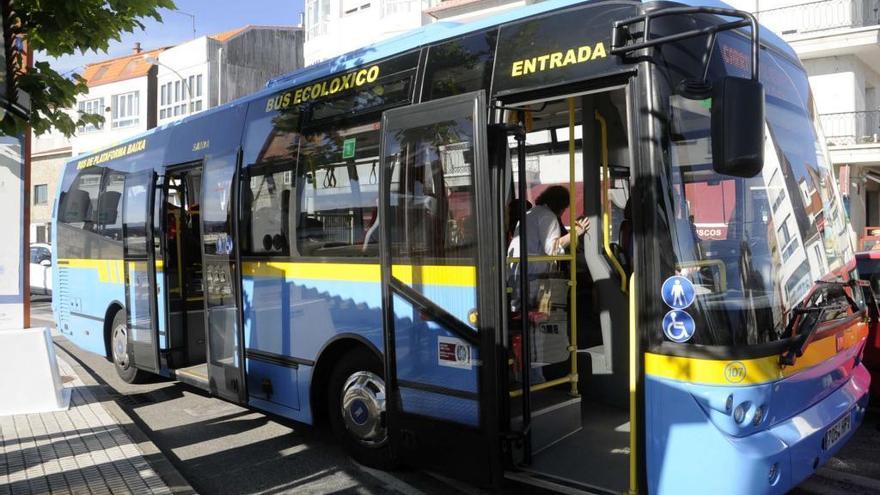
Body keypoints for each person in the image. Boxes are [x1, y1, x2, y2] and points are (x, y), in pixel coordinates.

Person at [508, 185, 590, 276]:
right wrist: (576, 232)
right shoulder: (548, 217)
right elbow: (552, 249)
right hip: (531, 273)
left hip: (517, 270)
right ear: (561, 206)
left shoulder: (532, 213)